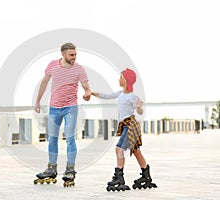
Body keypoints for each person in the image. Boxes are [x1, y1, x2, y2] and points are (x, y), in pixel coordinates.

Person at [34, 42, 91, 187]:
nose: (74, 57)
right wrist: (38, 101)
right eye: (71, 55)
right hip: (54, 108)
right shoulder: (52, 65)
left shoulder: (79, 69)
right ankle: (51, 168)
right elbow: (44, 83)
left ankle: (70, 169)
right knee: (52, 139)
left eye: (75, 55)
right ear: (63, 54)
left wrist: (87, 93)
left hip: (70, 107)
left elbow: (86, 87)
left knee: (70, 138)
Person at [91, 68, 157, 191]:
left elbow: (140, 111)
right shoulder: (120, 93)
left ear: (126, 80)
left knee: (119, 149)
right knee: (136, 151)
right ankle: (146, 176)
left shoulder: (132, 97)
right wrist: (92, 93)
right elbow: (107, 96)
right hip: (126, 125)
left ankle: (119, 178)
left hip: (131, 126)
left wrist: (138, 107)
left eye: (121, 77)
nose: (118, 79)